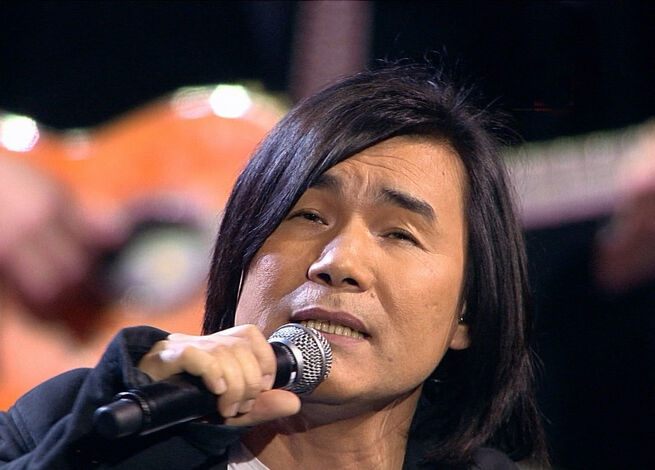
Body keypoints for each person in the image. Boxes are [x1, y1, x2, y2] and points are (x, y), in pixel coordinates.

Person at [0, 62, 547, 469]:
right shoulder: (66, 426)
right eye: (307, 216)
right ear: (238, 256)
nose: (339, 261)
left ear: (466, 313)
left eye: (399, 234)